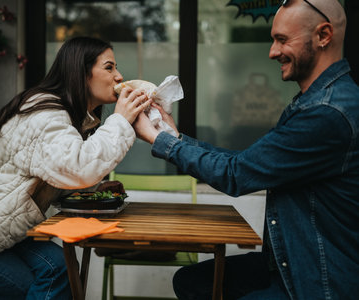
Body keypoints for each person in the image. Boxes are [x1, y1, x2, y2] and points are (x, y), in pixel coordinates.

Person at [133, 0, 359, 299]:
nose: (272, 52)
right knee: (192, 281)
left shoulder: (326, 112)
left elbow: (237, 175)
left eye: (282, 40)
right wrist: (176, 137)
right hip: (289, 260)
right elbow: (248, 163)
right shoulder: (320, 101)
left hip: (317, 280)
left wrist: (161, 141)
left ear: (324, 35)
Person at [0, 36, 151, 300]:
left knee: (61, 268)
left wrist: (96, 189)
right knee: (42, 289)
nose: (119, 76)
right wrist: (120, 120)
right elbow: (78, 168)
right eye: (109, 67)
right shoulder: (44, 114)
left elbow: (56, 174)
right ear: (81, 73)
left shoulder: (70, 117)